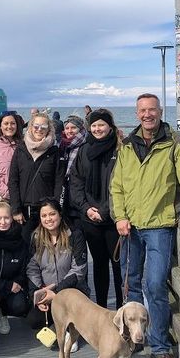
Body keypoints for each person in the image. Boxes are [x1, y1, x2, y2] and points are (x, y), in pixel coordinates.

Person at [110, 93, 180, 358]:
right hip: (130, 227)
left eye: (151, 109)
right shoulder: (127, 145)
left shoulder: (175, 143)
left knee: (155, 285)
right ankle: (128, 338)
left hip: (159, 225)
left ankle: (160, 347)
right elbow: (117, 186)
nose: (147, 115)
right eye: (142, 110)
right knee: (130, 284)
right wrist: (119, 216)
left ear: (160, 111)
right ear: (137, 113)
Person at [71, 109, 122, 309]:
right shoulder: (84, 150)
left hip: (114, 218)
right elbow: (75, 182)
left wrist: (105, 210)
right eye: (94, 125)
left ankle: (121, 309)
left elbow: (125, 184)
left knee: (119, 267)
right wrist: (86, 209)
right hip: (90, 218)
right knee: (99, 266)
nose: (97, 129)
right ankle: (101, 308)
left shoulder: (120, 149)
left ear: (110, 126)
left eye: (101, 124)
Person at [26, 198, 89, 336]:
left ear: (60, 214)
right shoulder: (36, 237)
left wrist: (57, 292)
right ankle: (57, 322)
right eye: (44, 216)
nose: (48, 219)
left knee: (75, 309)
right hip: (46, 291)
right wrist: (38, 294)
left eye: (52, 214)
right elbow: (32, 268)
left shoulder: (75, 235)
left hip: (72, 290)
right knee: (34, 320)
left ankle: (71, 330)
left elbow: (79, 270)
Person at [8, 112, 64, 241]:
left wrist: (56, 208)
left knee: (46, 249)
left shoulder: (54, 152)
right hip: (24, 210)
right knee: (25, 248)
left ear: (49, 129)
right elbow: (13, 180)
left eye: (43, 127)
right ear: (31, 127)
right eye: (36, 126)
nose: (39, 129)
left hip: (46, 211)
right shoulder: (20, 150)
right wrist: (16, 209)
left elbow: (59, 182)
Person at [0, 200, 29, 338]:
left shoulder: (20, 242)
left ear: (12, 218)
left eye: (6, 218)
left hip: (10, 286)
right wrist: (2, 287)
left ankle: (2, 312)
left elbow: (23, 270)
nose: (3, 222)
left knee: (21, 306)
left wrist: (5, 290)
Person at [58, 115, 86, 226]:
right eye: (67, 128)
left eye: (73, 128)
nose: (69, 131)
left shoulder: (85, 145)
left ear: (80, 129)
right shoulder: (63, 145)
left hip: (80, 194)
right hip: (66, 194)